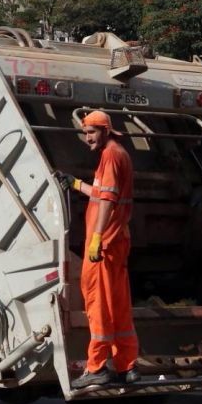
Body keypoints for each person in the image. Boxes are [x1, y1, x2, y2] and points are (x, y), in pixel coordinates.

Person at [55, 109, 140, 388]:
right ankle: (127, 366)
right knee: (118, 306)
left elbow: (106, 202)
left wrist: (96, 238)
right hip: (116, 243)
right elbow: (104, 193)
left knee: (98, 305)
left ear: (105, 130)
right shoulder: (118, 154)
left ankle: (97, 367)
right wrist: (77, 184)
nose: (87, 138)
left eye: (91, 132)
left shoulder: (111, 156)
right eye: (85, 133)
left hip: (103, 245)